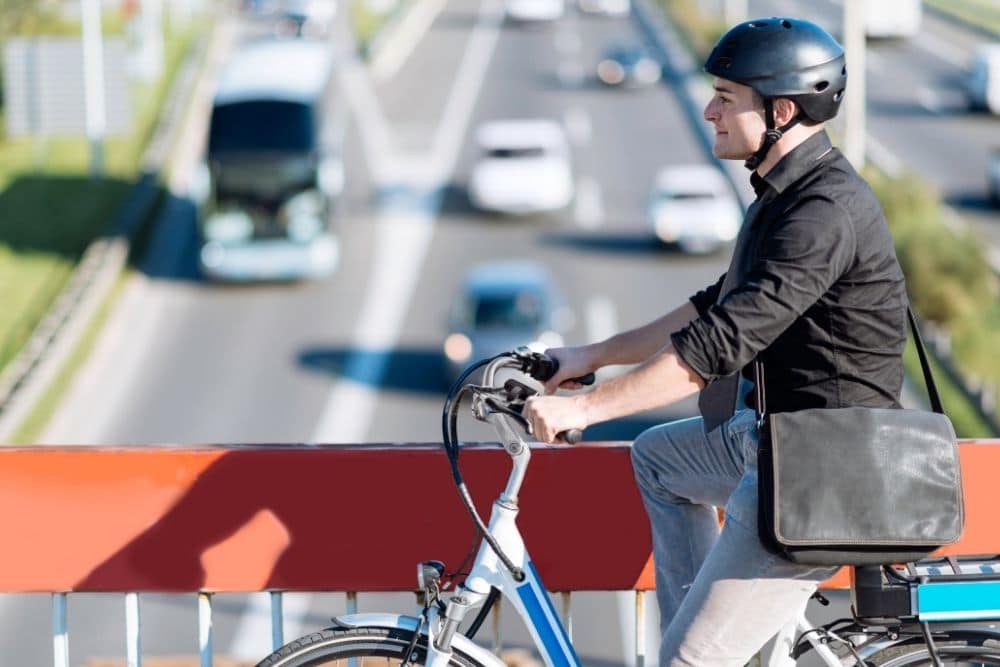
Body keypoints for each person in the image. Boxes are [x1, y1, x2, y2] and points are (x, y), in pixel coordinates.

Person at [523, 17, 908, 666]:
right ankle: (708, 633)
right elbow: (711, 306)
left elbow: (714, 348)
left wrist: (585, 407)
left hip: (824, 472)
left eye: (726, 98)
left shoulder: (823, 213)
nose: (709, 111)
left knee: (688, 661)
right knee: (659, 460)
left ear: (781, 110)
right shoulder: (783, 196)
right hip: (778, 442)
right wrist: (589, 357)